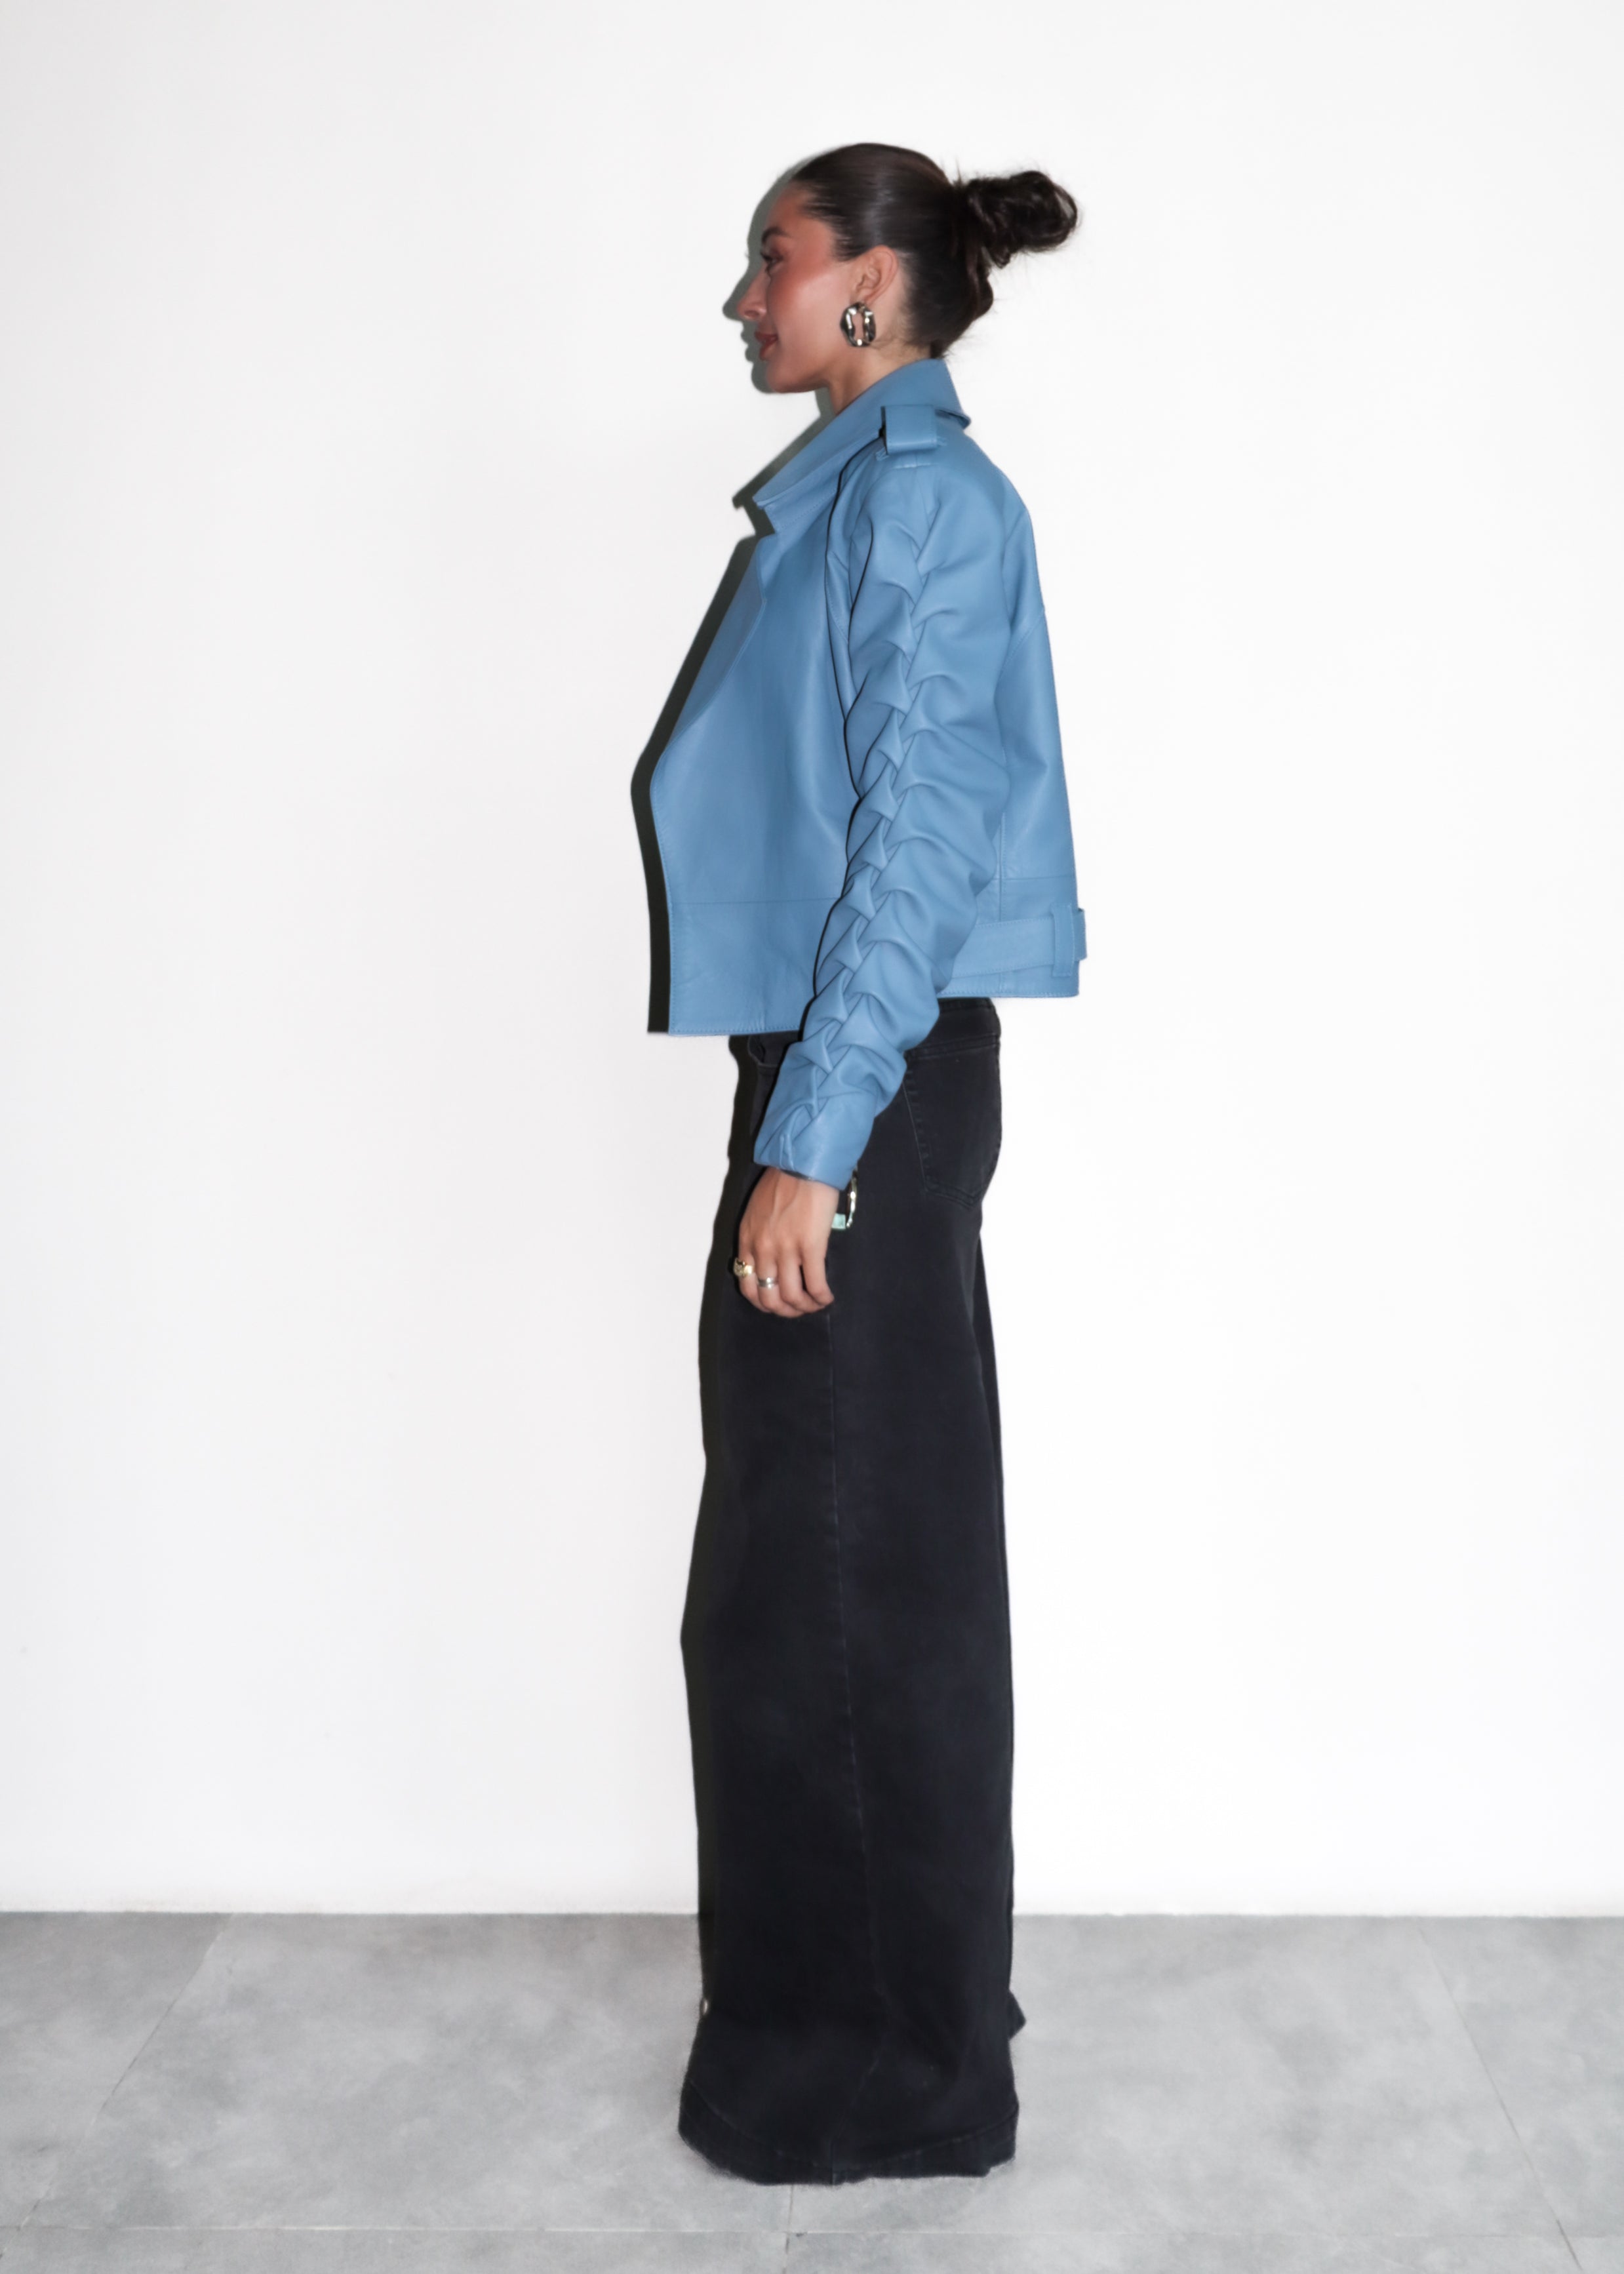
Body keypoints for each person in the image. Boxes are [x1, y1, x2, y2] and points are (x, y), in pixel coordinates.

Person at [637, 142, 1086, 2186]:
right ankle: (903, 2006)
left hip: (863, 1080)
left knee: (829, 1584)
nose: (747, 297)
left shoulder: (917, 500)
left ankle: (878, 2066)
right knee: (836, 1565)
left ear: (873, 287)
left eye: (776, 258)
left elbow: (917, 839)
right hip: (850, 1070)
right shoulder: (868, 498)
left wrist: (811, 1142)